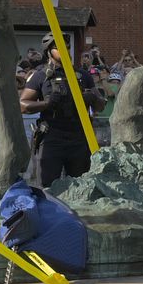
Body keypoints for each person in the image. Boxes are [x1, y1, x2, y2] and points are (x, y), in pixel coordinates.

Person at [20, 34, 104, 186]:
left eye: (68, 47)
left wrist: (92, 97)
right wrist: (46, 103)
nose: (65, 51)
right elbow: (23, 105)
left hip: (79, 139)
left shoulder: (83, 75)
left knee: (82, 188)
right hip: (52, 138)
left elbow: (101, 106)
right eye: (59, 48)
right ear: (49, 51)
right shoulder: (40, 76)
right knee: (47, 188)